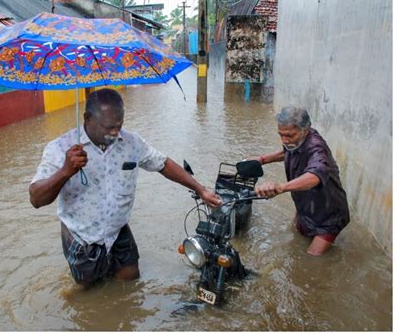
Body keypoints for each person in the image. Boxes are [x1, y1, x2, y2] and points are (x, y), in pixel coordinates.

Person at [29, 88, 221, 288]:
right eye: (108, 127)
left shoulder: (132, 142)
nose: (115, 133)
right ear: (87, 118)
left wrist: (201, 190)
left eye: (119, 126)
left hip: (118, 230)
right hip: (82, 237)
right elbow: (36, 199)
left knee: (130, 281)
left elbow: (163, 164)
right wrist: (65, 171)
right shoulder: (60, 148)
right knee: (88, 291)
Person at [253, 107, 350, 256]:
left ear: (306, 130)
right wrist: (263, 160)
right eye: (281, 135)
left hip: (328, 215)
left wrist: (280, 187)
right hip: (305, 205)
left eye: (289, 135)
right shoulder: (296, 140)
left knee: (312, 258)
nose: (284, 140)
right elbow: (287, 150)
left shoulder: (317, 148)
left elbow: (315, 175)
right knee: (294, 235)